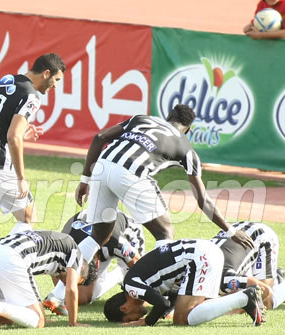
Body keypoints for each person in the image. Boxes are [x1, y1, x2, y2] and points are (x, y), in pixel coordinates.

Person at [73, 104, 254, 265]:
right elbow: (203, 200)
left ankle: (60, 288)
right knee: (165, 232)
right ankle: (154, 282)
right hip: (131, 173)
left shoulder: (140, 119)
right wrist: (231, 231)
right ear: (188, 129)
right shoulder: (187, 149)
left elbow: (100, 137)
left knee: (99, 236)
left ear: (168, 116)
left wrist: (85, 180)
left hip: (101, 166)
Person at [0, 53, 66, 299]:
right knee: (28, 216)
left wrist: (21, 134)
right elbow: (12, 137)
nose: (55, 86)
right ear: (46, 73)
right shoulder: (32, 96)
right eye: (56, 80)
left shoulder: (5, 79)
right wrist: (21, 177)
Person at [103, 239, 265, 327]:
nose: (135, 318)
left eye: (128, 319)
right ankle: (244, 299)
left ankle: (244, 298)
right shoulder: (138, 281)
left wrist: (146, 322)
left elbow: (162, 303)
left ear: (124, 308)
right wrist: (164, 313)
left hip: (199, 257)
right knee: (191, 310)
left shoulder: (130, 285)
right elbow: (173, 294)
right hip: (204, 251)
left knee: (181, 319)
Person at [42, 210, 145, 316]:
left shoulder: (117, 242)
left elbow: (140, 268)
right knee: (81, 298)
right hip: (91, 236)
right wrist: (62, 289)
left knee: (138, 288)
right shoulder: (64, 246)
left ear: (97, 263)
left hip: (125, 234)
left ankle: (121, 273)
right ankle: (117, 276)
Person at [210, 221, 285, 310]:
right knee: (230, 295)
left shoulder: (224, 279)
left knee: (265, 302)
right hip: (237, 232)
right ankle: (276, 279)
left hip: (262, 238)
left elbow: (264, 290)